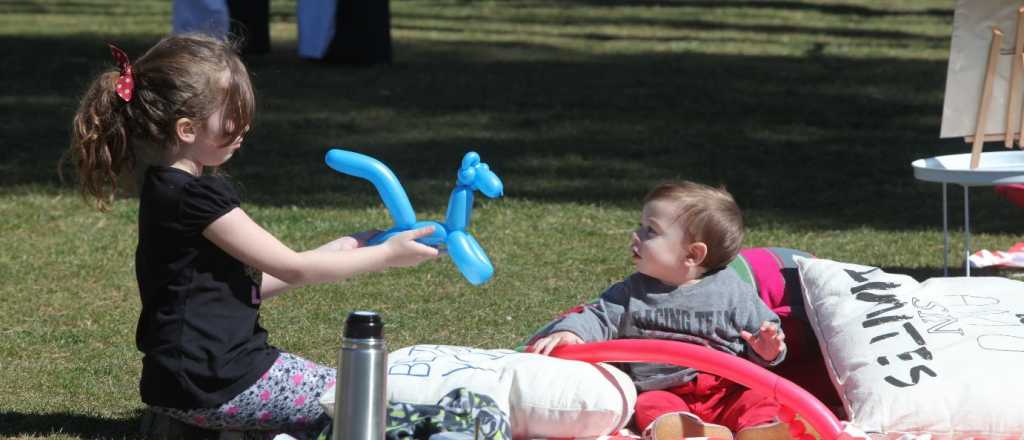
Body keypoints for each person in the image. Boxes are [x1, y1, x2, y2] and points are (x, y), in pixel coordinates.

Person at [63, 34, 439, 438]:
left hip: (175, 384)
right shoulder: (200, 196)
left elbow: (240, 284)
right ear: (187, 128)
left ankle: (193, 425)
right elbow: (293, 269)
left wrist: (341, 248)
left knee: (347, 395)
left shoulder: (163, 189)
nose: (244, 126)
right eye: (233, 114)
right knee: (363, 401)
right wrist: (387, 256)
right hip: (224, 381)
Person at [528, 181, 790, 440]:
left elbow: (765, 335)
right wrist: (571, 333)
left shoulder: (733, 291)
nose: (636, 235)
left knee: (758, 398)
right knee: (648, 406)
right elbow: (598, 316)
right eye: (641, 226)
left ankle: (759, 430)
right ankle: (688, 433)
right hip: (666, 391)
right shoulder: (631, 293)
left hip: (725, 391)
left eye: (650, 230)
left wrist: (768, 349)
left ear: (693, 254)